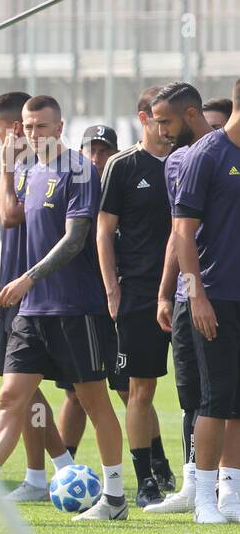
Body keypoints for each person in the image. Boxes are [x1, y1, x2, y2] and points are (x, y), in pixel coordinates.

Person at [0, 96, 126, 521]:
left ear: (60, 127)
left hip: (76, 308)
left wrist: (28, 279)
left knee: (94, 401)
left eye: (41, 126)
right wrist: (11, 287)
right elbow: (25, 233)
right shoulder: (26, 170)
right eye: (27, 126)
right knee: (10, 397)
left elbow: (76, 238)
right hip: (32, 310)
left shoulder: (80, 171)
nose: (33, 134)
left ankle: (114, 499)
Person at [153, 80, 239, 522]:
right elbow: (182, 233)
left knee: (238, 400)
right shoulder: (208, 154)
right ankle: (203, 496)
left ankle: (233, 495)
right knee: (214, 398)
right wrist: (195, 293)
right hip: (212, 296)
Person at [0, 92, 74, 502]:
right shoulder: (28, 168)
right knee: (22, 388)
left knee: (42, 388)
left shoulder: (30, 169)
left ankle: (60, 469)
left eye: (0, 128)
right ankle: (45, 474)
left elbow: (10, 216)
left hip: (46, 295)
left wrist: (4, 169)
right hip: (17, 289)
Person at [95, 95, 178, 506]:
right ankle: (146, 476)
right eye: (159, 119)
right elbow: (103, 231)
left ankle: (201, 476)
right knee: (137, 389)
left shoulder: (188, 159)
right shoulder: (123, 166)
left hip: (189, 289)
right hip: (139, 292)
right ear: (144, 119)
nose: (167, 127)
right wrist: (112, 288)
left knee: (196, 392)